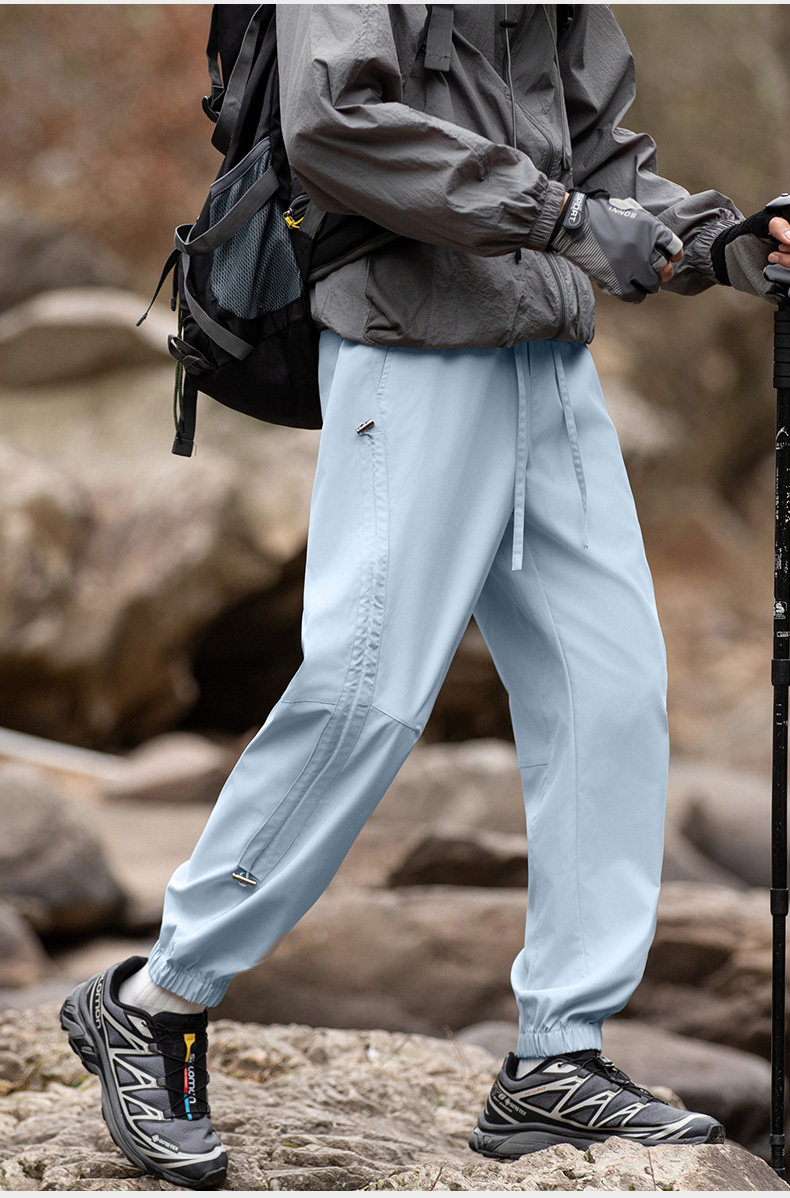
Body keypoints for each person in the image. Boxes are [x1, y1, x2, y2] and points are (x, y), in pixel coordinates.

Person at [59, 4, 790, 1187]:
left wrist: (718, 240)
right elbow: (335, 124)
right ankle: (156, 998)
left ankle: (557, 1052)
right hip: (409, 344)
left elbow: (597, 155)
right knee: (368, 690)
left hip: (547, 355)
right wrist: (567, 222)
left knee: (612, 695)